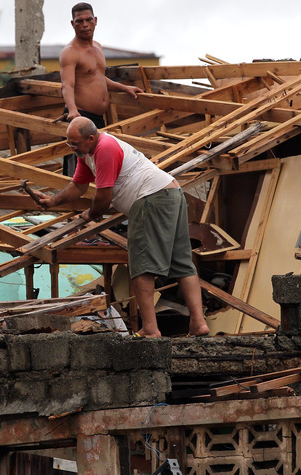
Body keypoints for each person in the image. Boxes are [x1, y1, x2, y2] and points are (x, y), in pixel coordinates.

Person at [38, 117, 211, 338]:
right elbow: (78, 185)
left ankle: (150, 328)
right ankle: (198, 324)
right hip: (170, 194)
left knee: (141, 266)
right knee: (181, 263)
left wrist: (91, 214)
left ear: (90, 138)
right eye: (69, 144)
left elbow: (103, 196)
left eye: (75, 144)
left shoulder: (105, 148)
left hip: (151, 198)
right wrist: (52, 201)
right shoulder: (86, 153)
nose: (72, 149)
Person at [59, 2, 143, 175]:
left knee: (99, 166)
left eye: (88, 20)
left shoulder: (98, 47)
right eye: (79, 21)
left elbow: (97, 77)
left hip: (98, 119)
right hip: (81, 117)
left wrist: (124, 88)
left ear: (95, 20)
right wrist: (73, 111)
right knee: (77, 170)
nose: (84, 25)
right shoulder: (70, 52)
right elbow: (68, 84)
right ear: (72, 24)